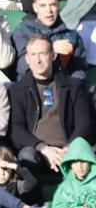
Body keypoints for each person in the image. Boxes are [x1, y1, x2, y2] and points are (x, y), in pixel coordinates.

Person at [10, 34, 93, 180]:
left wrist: (69, 148)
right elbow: (16, 128)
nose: (38, 60)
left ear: (53, 56)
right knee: (27, 155)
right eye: (33, 54)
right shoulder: (17, 90)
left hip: (69, 148)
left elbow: (84, 123)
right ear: (27, 59)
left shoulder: (73, 86)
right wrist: (42, 148)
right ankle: (32, 201)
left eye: (42, 53)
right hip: (38, 151)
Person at [13, 0, 85, 79]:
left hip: (63, 87)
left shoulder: (71, 35)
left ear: (58, 6)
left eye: (53, 5)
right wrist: (50, 49)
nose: (49, 11)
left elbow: (79, 69)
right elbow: (21, 67)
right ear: (35, 7)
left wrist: (72, 87)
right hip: (32, 87)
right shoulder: (23, 32)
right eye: (43, 5)